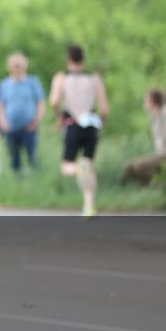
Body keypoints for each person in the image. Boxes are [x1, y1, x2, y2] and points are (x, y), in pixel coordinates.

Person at [49, 44, 110, 219]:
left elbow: (53, 101)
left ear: (68, 58)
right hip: (92, 124)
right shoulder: (94, 78)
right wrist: (101, 123)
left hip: (73, 123)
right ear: (83, 58)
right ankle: (89, 205)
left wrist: (59, 117)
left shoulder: (62, 77)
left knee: (67, 166)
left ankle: (79, 171)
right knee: (88, 165)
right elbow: (104, 109)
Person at [123, 88, 166, 185]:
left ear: (153, 101)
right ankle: (159, 185)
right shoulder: (154, 116)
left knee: (137, 167)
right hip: (161, 153)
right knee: (129, 167)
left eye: (146, 100)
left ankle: (163, 185)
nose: (144, 103)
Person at [0, 52, 46, 176]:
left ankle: (37, 178)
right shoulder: (4, 84)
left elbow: (40, 103)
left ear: (25, 66)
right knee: (14, 157)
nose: (17, 67)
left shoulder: (33, 82)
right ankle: (17, 180)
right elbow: (0, 106)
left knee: (32, 156)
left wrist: (36, 121)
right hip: (10, 127)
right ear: (9, 67)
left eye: (20, 64)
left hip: (29, 126)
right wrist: (2, 123)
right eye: (15, 65)